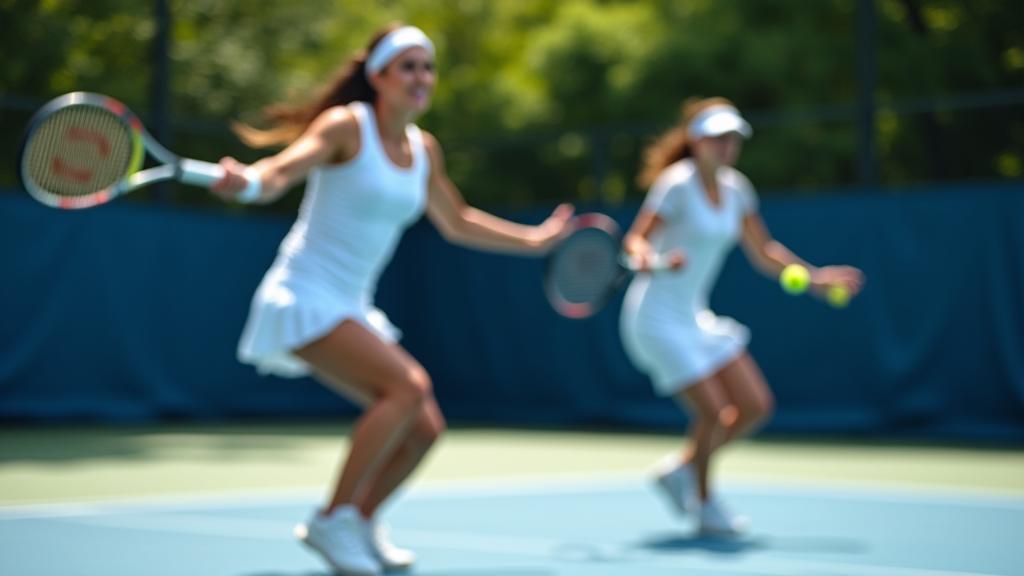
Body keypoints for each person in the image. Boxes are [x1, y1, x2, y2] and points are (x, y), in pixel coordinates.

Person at [210, 23, 573, 575]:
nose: (420, 77)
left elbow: (457, 221)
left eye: (427, 66)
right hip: (303, 293)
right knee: (407, 387)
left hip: (353, 304)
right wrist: (250, 182)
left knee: (426, 428)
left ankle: (357, 518)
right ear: (377, 76)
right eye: (407, 66)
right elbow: (282, 170)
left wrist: (536, 240)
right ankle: (331, 519)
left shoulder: (424, 149)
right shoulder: (345, 127)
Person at [619, 97, 864, 536]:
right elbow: (635, 240)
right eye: (717, 138)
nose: (727, 147)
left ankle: (681, 471)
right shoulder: (676, 184)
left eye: (733, 138)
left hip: (693, 317)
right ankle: (704, 503)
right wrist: (650, 259)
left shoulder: (737, 190)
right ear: (696, 141)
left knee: (754, 407)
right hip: (654, 319)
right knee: (713, 412)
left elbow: (765, 251)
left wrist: (815, 279)